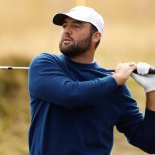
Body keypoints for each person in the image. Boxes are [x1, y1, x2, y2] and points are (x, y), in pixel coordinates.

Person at [28, 6, 155, 155]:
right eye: (65, 26)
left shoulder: (115, 87)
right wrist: (115, 79)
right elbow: (70, 95)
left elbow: (149, 143)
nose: (67, 31)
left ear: (95, 36)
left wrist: (151, 90)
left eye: (76, 26)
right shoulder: (44, 63)